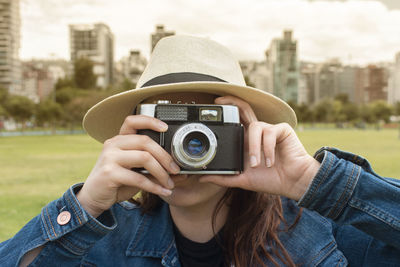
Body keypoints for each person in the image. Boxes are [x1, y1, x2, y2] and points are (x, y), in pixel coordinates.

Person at [1, 35, 400, 267]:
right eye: (168, 126)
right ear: (130, 133)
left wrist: (312, 182)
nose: (186, 146)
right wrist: (86, 208)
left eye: (208, 126)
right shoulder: (104, 239)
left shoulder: (318, 229)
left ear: (246, 132)